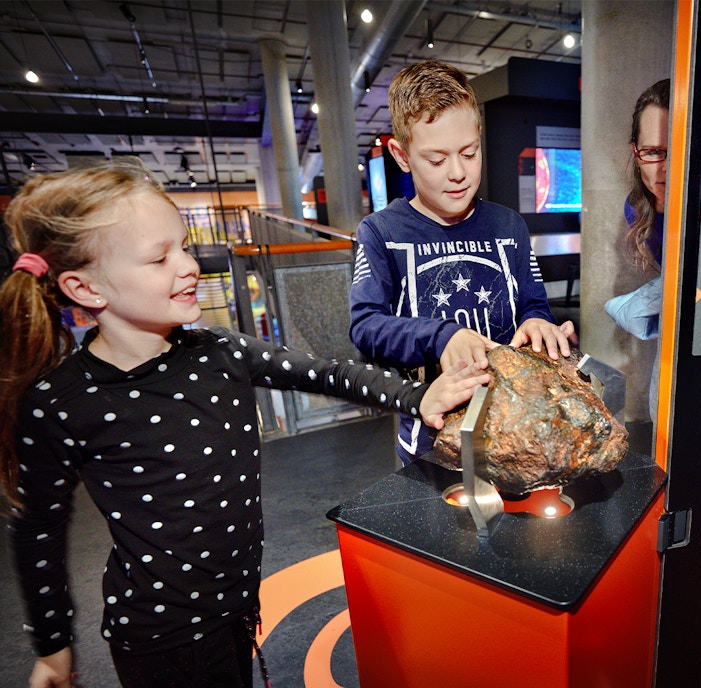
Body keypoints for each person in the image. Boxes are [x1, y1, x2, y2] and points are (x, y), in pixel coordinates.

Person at [0, 161, 490, 688]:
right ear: (86, 287)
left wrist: (418, 397)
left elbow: (330, 374)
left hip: (235, 606)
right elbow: (37, 531)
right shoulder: (60, 402)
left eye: (184, 247)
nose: (188, 266)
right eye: (159, 257)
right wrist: (52, 648)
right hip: (159, 639)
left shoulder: (220, 350)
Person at [349, 59, 576, 464]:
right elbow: (366, 327)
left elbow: (532, 304)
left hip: (515, 435)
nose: (458, 173)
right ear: (402, 156)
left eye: (469, 153)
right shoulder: (381, 232)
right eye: (436, 160)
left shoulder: (509, 225)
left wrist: (538, 323)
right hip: (429, 442)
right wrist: (441, 336)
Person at [605, 78, 670, 418]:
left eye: (679, 153)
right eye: (653, 152)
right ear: (635, 151)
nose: (666, 169)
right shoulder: (638, 207)